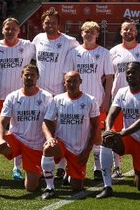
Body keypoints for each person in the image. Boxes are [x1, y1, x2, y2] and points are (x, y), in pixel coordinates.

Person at [0, 64, 51, 197]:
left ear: (37, 77)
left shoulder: (46, 97)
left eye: (32, 75)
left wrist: (48, 139)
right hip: (16, 139)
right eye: (26, 74)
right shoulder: (12, 97)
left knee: (30, 188)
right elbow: (2, 123)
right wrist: (1, 139)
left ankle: (36, 174)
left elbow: (49, 123)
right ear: (21, 76)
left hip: (35, 145)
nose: (29, 77)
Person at [0, 16, 35, 181]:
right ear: (2, 30)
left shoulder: (28, 46)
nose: (10, 31)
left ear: (19, 30)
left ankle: (17, 169)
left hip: (19, 98)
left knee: (19, 132)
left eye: (13, 29)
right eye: (7, 28)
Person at [40, 70, 100, 200]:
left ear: (80, 82)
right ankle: (49, 188)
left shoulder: (90, 100)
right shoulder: (57, 99)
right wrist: (50, 138)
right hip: (61, 143)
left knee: (77, 187)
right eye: (69, 81)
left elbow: (96, 126)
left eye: (75, 81)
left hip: (79, 149)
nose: (72, 84)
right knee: (48, 148)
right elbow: (46, 121)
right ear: (64, 83)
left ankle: (69, 172)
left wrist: (87, 150)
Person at [102, 61, 140, 195]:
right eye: (128, 72)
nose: (130, 75)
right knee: (106, 139)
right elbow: (111, 113)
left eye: (133, 72)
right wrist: (108, 129)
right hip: (127, 138)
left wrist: (122, 133)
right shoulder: (122, 92)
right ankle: (107, 186)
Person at [72, 21, 114, 181]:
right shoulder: (73, 52)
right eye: (86, 31)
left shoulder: (104, 53)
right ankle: (73, 166)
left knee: (97, 134)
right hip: (76, 100)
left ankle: (97, 168)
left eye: (92, 32)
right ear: (81, 33)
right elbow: (67, 77)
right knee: (76, 134)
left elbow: (109, 78)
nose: (88, 34)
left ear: (97, 34)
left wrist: (106, 99)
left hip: (97, 99)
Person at [32, 9, 78, 96]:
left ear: (58, 25)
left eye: (53, 23)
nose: (50, 25)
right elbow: (33, 60)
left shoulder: (70, 41)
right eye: (47, 23)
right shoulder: (38, 38)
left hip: (59, 93)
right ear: (42, 24)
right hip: (39, 92)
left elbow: (81, 58)